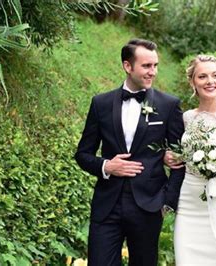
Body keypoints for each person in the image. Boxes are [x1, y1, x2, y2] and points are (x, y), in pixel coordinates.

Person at [75, 38, 186, 266]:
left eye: (155, 65)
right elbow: (83, 154)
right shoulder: (100, 103)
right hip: (107, 206)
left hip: (148, 206)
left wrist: (167, 202)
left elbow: (180, 159)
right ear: (128, 66)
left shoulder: (168, 105)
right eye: (146, 66)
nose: (152, 72)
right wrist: (107, 166)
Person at [164, 55, 216, 265]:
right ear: (192, 82)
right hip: (189, 205)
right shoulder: (185, 118)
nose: (210, 81)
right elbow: (176, 153)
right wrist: (166, 157)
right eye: (202, 76)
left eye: (215, 75)